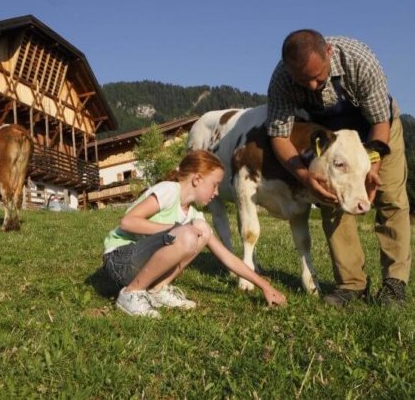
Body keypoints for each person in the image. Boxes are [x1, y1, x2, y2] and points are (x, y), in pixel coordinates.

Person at [266, 29, 411, 306]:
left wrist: (371, 167)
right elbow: (279, 136)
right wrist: (304, 175)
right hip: (332, 137)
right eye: (302, 80)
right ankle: (351, 285)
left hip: (376, 131)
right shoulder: (282, 80)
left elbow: (380, 121)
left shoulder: (360, 61)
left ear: (329, 53)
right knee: (331, 200)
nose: (310, 86)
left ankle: (394, 284)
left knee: (390, 198)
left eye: (317, 77)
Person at [102, 149, 287, 317]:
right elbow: (127, 222)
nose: (216, 193)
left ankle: (158, 289)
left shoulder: (193, 214)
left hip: (141, 266)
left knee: (202, 229)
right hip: (119, 260)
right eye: (214, 185)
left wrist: (265, 286)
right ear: (197, 179)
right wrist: (174, 229)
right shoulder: (169, 190)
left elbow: (226, 256)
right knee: (188, 232)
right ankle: (131, 293)